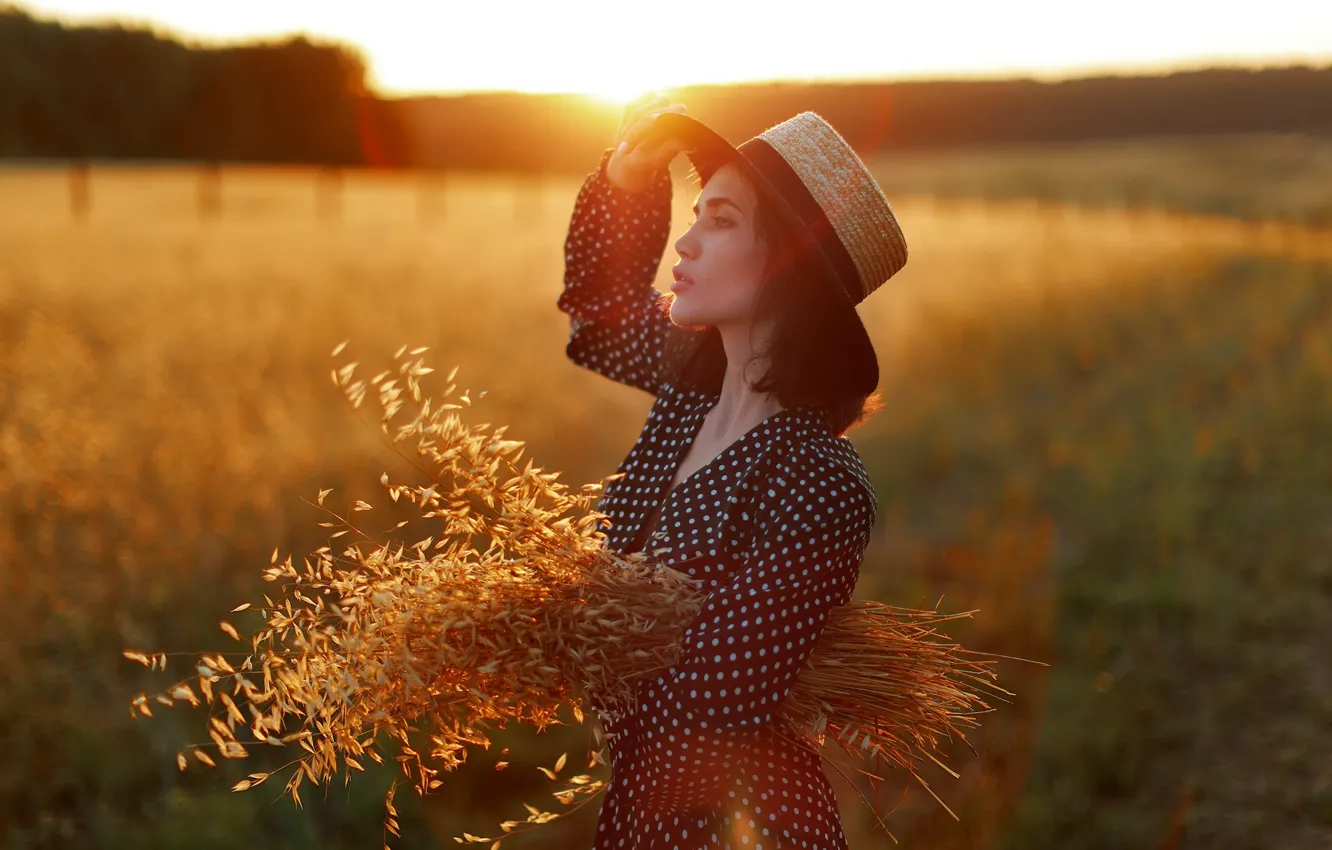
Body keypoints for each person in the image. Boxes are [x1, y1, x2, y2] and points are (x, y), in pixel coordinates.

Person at [558, 92, 909, 850]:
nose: (682, 245)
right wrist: (625, 183)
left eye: (719, 222)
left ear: (788, 265)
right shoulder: (689, 394)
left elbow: (709, 703)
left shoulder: (817, 479)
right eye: (694, 215)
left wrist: (549, 631)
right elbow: (600, 316)